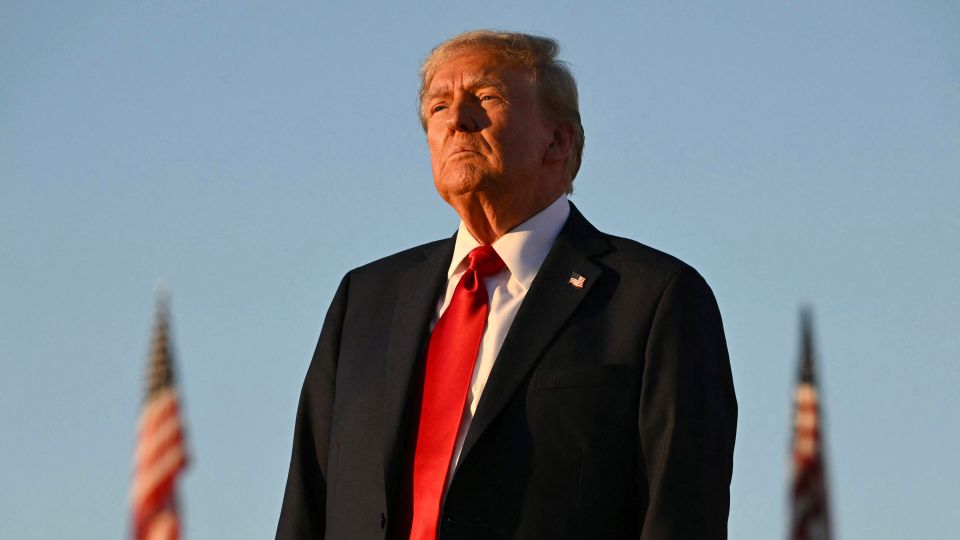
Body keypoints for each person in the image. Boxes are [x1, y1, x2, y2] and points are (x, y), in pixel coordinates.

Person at [277, 30, 736, 540]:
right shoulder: (363, 300)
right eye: (438, 107)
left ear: (558, 140)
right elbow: (307, 504)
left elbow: (682, 514)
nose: (457, 120)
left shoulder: (653, 298)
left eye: (487, 98)